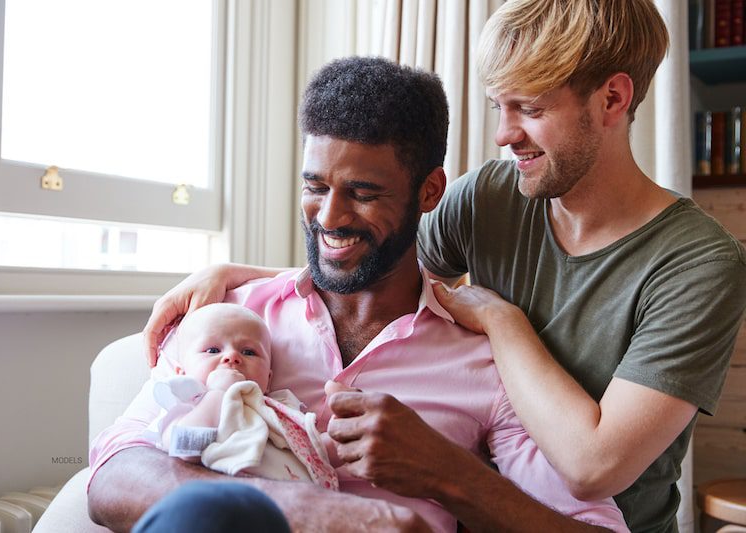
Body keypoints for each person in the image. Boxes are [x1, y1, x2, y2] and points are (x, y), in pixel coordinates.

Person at [141, 2, 746, 532]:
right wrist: (242, 274)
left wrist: (503, 322)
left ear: (612, 98)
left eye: (530, 108)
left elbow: (595, 467)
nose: (504, 135)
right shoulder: (492, 196)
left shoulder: (697, 264)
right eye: (498, 106)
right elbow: (378, 254)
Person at [89, 56, 629, 533]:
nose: (329, 218)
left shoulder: (484, 363)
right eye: (315, 187)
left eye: (363, 194)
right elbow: (113, 476)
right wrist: (319, 513)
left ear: (430, 192)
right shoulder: (231, 316)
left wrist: (449, 476)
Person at [146, 303, 338, 489]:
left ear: (268, 380)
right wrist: (218, 393)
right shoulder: (187, 405)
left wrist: (341, 435)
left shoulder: (279, 409)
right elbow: (186, 448)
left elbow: (312, 452)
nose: (232, 357)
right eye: (213, 350)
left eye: (248, 352)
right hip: (228, 503)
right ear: (182, 373)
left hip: (298, 508)